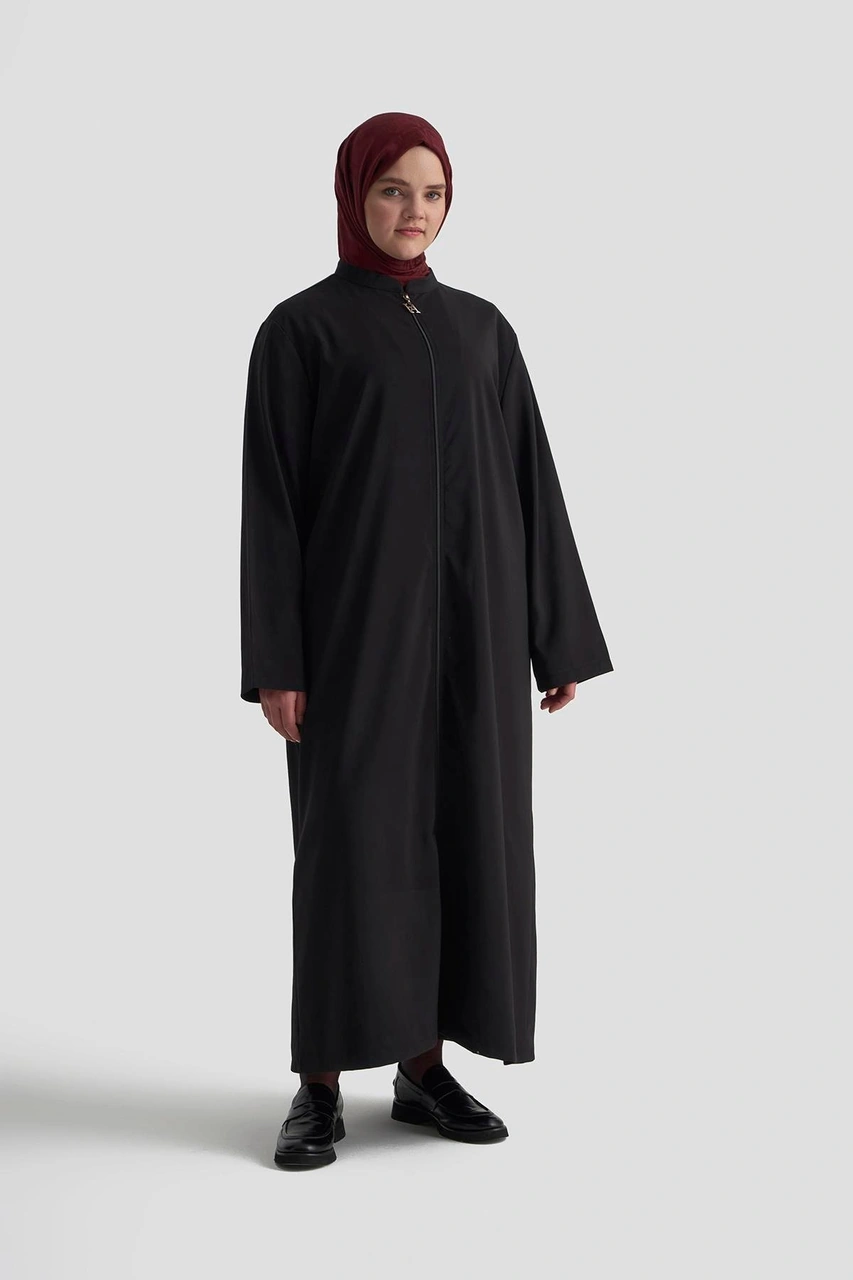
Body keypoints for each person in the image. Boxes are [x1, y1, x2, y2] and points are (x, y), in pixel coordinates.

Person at [239, 112, 614, 1170]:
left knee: (464, 838)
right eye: (393, 189)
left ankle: (422, 1067)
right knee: (349, 851)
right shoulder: (301, 331)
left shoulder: (483, 329)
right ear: (352, 194)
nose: (414, 211)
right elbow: (271, 506)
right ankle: (320, 1083)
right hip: (355, 641)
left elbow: (530, 482)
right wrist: (277, 661)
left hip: (477, 639)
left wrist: (556, 638)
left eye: (433, 192)